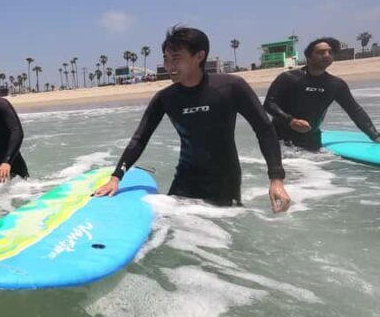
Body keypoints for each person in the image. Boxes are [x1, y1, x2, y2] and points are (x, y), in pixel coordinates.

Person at [94, 26, 291, 212]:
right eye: (166, 59)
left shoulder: (231, 87)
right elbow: (139, 139)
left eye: (176, 58)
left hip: (224, 184)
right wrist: (116, 178)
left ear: (199, 56)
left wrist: (276, 179)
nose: (169, 65)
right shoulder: (166, 98)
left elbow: (264, 130)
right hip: (184, 182)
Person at [264, 37, 380, 151]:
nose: (327, 55)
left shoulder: (335, 84)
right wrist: (291, 121)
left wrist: (375, 136)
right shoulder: (289, 78)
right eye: (321, 52)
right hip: (280, 140)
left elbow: (355, 111)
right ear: (308, 56)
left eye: (330, 52)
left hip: (311, 140)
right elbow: (269, 103)